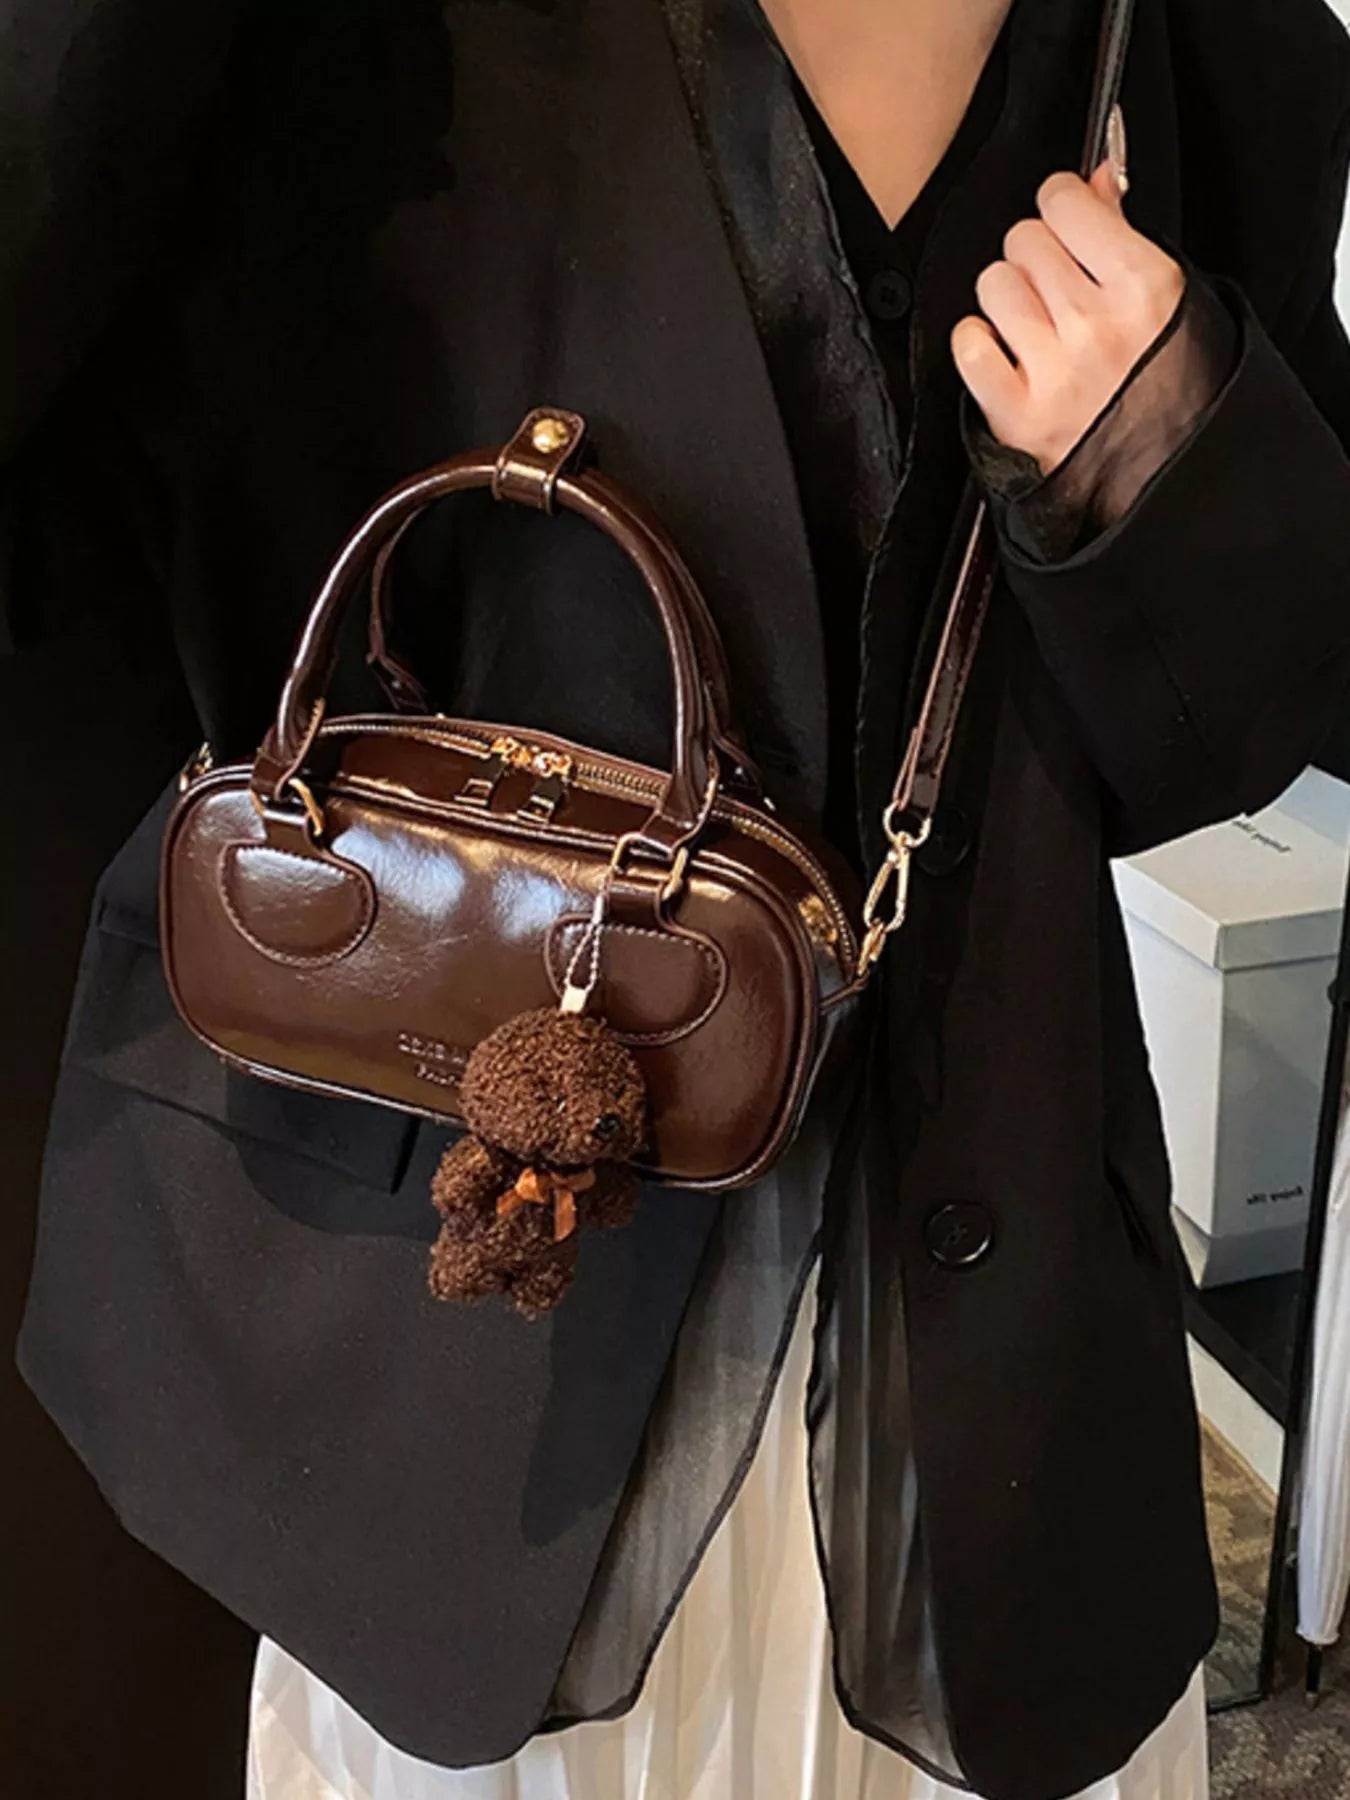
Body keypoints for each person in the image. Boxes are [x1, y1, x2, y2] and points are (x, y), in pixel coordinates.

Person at [10, 2, 1350, 1798]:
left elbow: (1237, 724)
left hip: (975, 1400)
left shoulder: (1199, 32)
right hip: (435, 1362)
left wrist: (1154, 454)